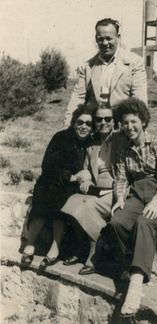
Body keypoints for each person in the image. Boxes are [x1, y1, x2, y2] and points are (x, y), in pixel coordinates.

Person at [107, 98, 157, 319]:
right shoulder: (123, 148)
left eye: (134, 121)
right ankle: (130, 265)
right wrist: (120, 198)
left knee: (144, 222)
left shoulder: (156, 143)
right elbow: (120, 178)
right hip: (138, 194)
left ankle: (136, 285)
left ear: (143, 121)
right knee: (117, 221)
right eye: (125, 123)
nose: (129, 127)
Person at [21, 104, 96, 269]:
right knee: (46, 191)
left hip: (71, 187)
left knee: (62, 197)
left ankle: (54, 248)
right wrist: (72, 176)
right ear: (74, 122)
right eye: (80, 122)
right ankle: (30, 243)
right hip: (52, 179)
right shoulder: (61, 137)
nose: (84, 126)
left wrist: (84, 177)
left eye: (88, 124)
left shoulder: (91, 144)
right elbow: (47, 165)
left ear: (92, 128)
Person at [61, 105, 122, 274]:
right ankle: (84, 248)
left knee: (86, 206)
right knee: (72, 201)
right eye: (99, 119)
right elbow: (86, 168)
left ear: (114, 121)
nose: (103, 122)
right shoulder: (92, 145)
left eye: (107, 119)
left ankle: (94, 255)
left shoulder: (120, 141)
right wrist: (86, 177)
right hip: (97, 190)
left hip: (115, 192)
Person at [64, 17, 147, 126]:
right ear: (96, 39)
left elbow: (139, 101)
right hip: (96, 128)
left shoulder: (135, 63)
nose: (105, 43)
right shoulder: (87, 66)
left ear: (118, 37)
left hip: (124, 129)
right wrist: (67, 126)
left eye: (109, 38)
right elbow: (77, 99)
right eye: (100, 39)